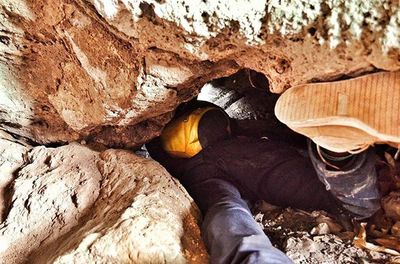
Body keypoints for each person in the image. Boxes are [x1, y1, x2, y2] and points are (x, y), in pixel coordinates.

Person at [146, 71, 399, 263]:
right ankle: (336, 145)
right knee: (350, 201)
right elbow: (276, 132)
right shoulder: (235, 128)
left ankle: (338, 146)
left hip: (216, 166)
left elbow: (227, 213)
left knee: (226, 211)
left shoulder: (183, 163)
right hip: (245, 151)